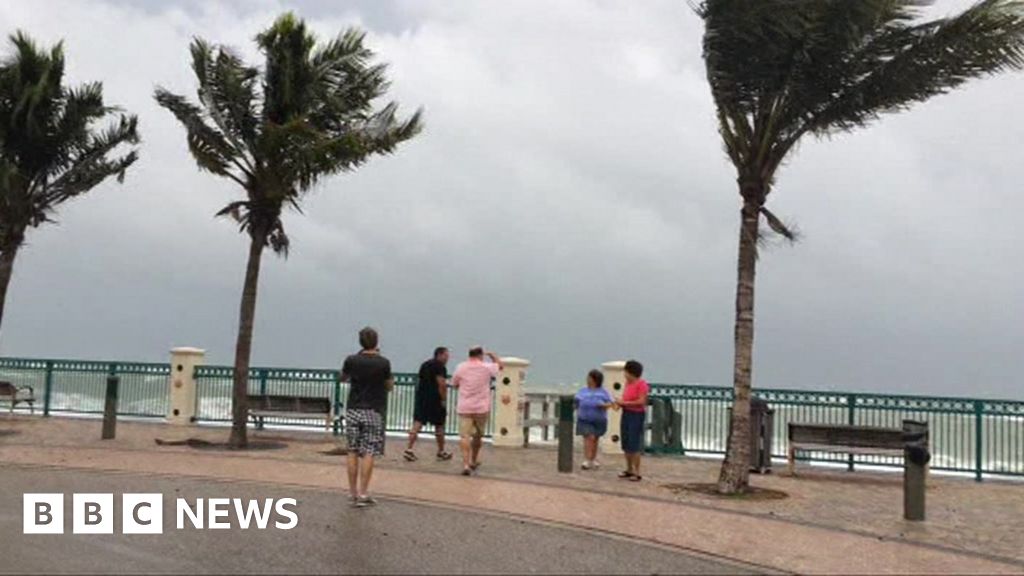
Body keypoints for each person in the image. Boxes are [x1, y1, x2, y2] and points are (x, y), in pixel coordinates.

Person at [341, 327, 393, 507]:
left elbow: (342, 378)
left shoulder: (351, 360)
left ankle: (352, 492)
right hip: (373, 409)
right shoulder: (383, 363)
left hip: (354, 408)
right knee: (369, 451)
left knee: (352, 450)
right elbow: (389, 386)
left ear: (360, 342)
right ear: (376, 341)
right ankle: (363, 492)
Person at [451, 346, 502, 476]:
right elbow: (500, 367)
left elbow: (454, 383)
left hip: (465, 407)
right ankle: (473, 459)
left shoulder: (461, 367)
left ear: (469, 355)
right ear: (481, 355)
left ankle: (465, 464)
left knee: (464, 436)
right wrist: (492, 355)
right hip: (481, 408)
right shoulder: (486, 367)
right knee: (478, 436)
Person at [404, 346, 453, 462]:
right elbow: (441, 384)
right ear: (439, 355)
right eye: (446, 356)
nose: (447, 358)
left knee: (417, 423)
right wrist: (444, 399)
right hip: (435, 400)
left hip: (422, 398)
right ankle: (441, 451)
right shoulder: (440, 367)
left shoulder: (425, 364)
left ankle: (409, 448)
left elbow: (419, 380)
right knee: (439, 426)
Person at [615, 359, 649, 482]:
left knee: (634, 443)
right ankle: (628, 468)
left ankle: (637, 471)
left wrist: (625, 402)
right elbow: (625, 398)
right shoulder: (627, 384)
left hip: (636, 415)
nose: (624, 374)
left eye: (625, 372)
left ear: (631, 372)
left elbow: (641, 401)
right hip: (626, 413)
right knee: (626, 441)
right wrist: (620, 403)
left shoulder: (641, 384)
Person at [575, 369, 614, 470]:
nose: (588, 380)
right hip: (584, 418)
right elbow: (576, 401)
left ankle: (593, 458)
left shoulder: (603, 392)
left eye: (590, 378)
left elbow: (611, 403)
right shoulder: (583, 390)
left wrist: (604, 405)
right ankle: (587, 459)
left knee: (595, 438)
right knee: (589, 437)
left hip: (599, 419)